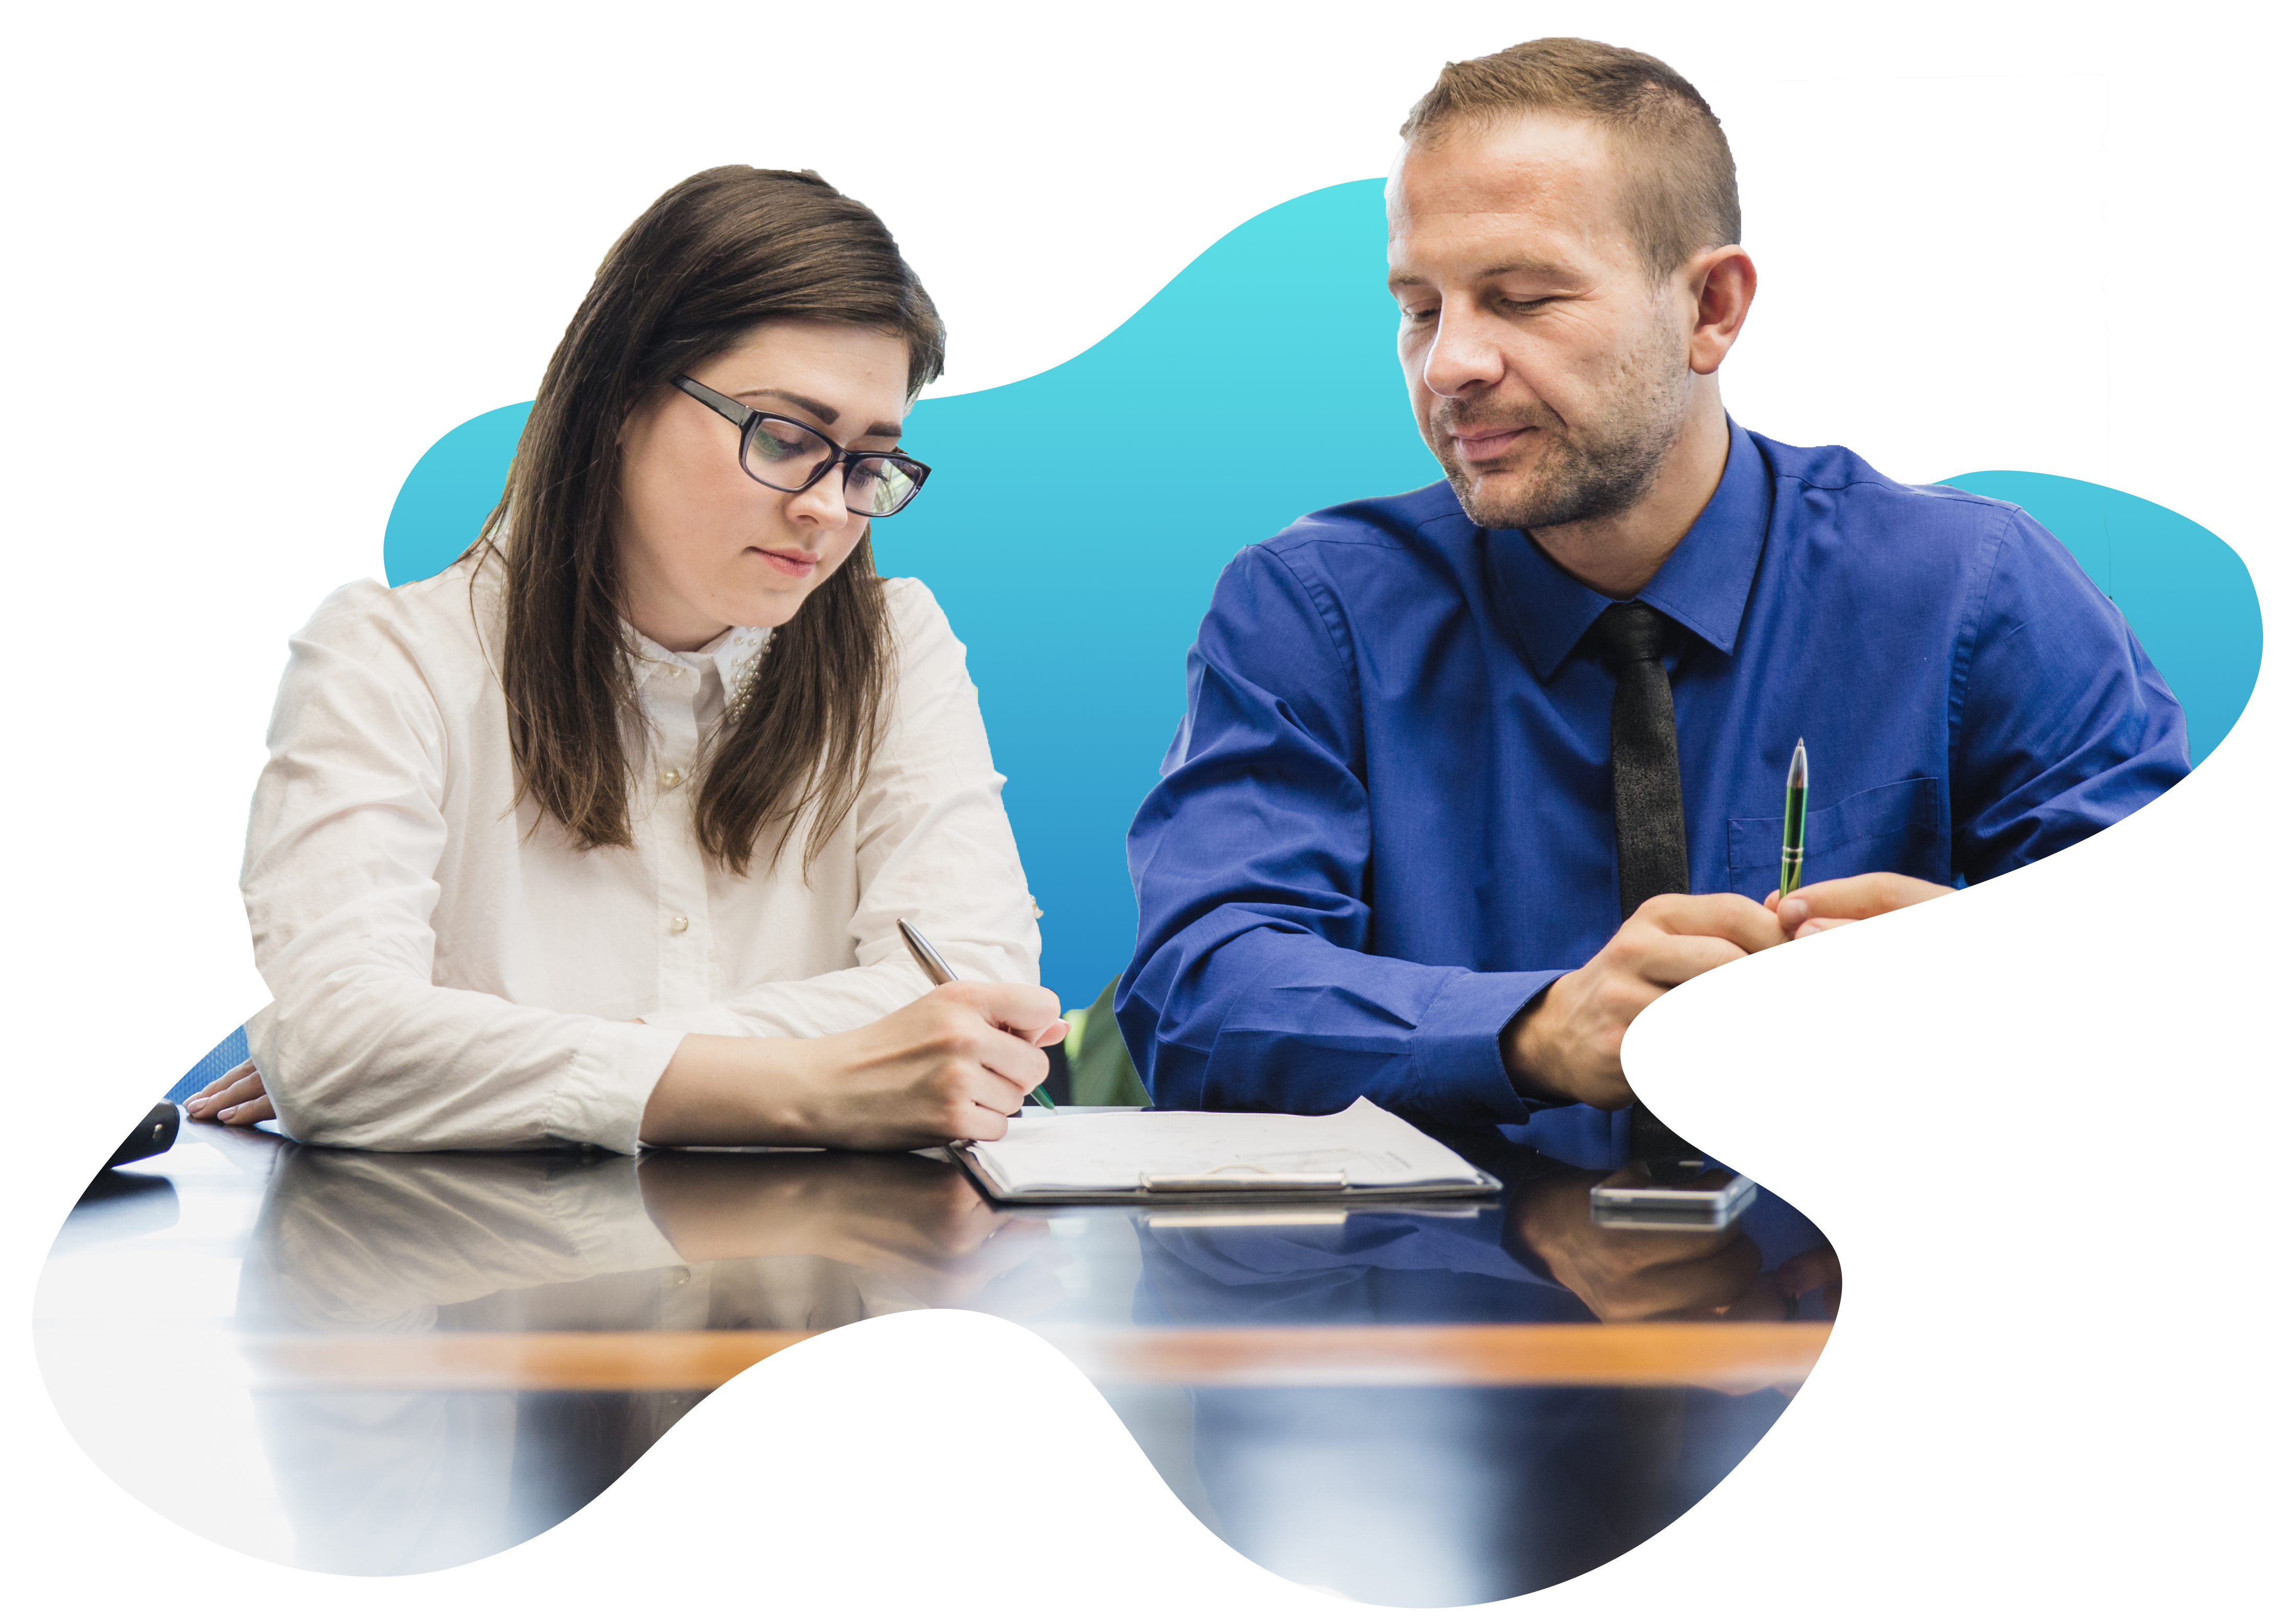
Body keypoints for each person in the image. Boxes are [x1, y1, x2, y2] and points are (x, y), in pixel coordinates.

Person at [1118, 38, 2261, 1128]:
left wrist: (2020, 1029)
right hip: (1449, 1313)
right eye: (1420, 308)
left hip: (1869, 1302)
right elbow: (1197, 991)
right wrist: (1529, 1030)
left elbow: (2220, 981)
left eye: (1520, 297)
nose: (1452, 364)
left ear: (1712, 307)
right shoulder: (1308, 613)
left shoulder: (1969, 589)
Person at [188, 164, 1064, 1153]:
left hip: (831, 1288)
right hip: (474, 1284)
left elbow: (971, 1001)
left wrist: (473, 1059)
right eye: (784, 437)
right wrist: (813, 1083)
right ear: (616, 398)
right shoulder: (387, 661)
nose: (827, 507)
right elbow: (336, 1042)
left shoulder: (898, 649)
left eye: (869, 461)